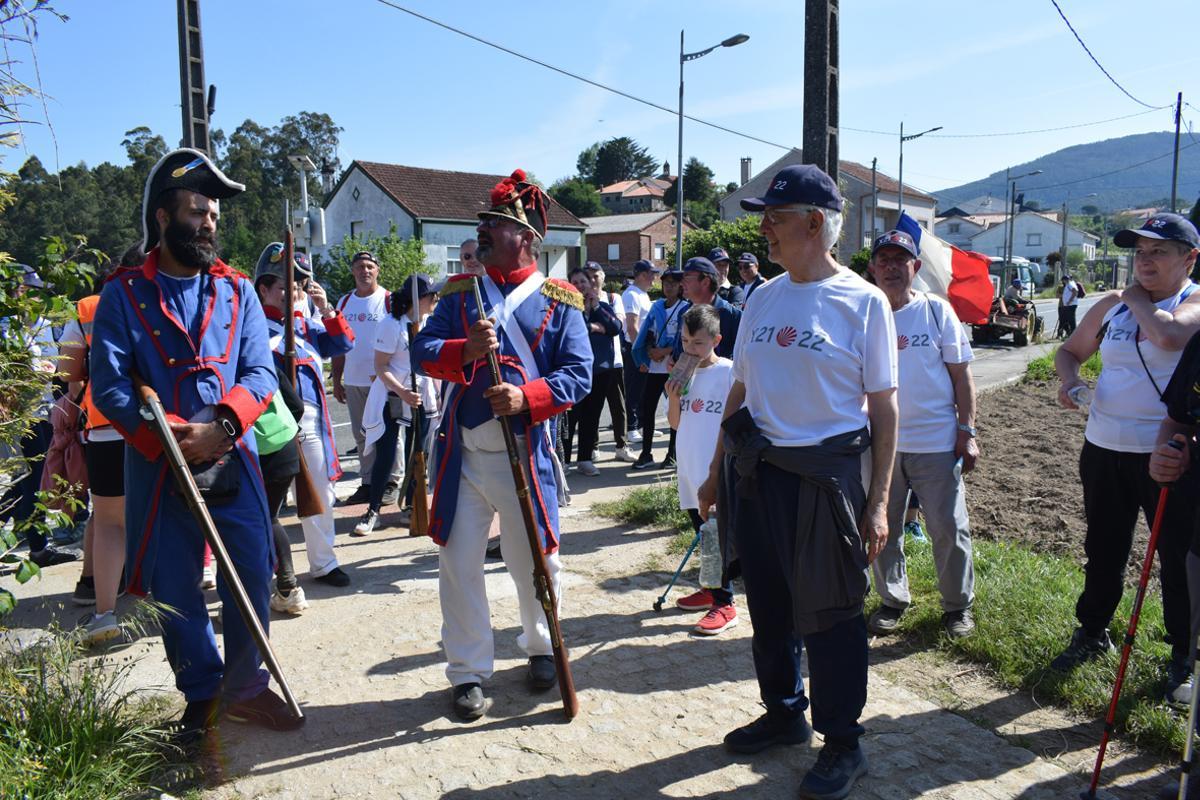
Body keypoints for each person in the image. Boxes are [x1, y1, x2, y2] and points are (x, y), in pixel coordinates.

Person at [697, 163, 898, 799]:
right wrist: (713, 472)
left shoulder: (863, 302)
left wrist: (881, 501)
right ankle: (786, 713)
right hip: (757, 473)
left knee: (832, 614)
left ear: (815, 223)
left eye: (775, 218)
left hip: (826, 478)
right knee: (770, 602)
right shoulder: (763, 296)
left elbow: (886, 409)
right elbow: (740, 387)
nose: (764, 229)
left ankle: (844, 741)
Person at [89, 149, 302, 740]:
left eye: (212, 213)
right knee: (175, 586)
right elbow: (108, 387)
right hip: (159, 467)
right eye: (196, 211)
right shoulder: (122, 296)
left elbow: (260, 373)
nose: (209, 222)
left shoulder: (237, 291)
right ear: (163, 217)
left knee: (252, 574)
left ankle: (246, 688)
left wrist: (222, 429)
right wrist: (172, 443)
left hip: (236, 457)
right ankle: (202, 693)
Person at [412, 169, 591, 721]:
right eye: (484, 222)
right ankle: (467, 672)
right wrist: (464, 351)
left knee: (535, 559)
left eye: (496, 223)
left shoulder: (561, 300)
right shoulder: (461, 292)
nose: (483, 230)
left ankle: (541, 646)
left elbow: (579, 374)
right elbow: (423, 349)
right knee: (458, 562)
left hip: (525, 452)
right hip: (464, 454)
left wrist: (527, 397)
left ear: (528, 239)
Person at [1052, 213, 1200, 705]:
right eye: (1140, 252)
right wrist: (1070, 383)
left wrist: (1133, 297)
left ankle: (1183, 653)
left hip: (1167, 456)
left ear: (1189, 258)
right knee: (1104, 549)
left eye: (1159, 251)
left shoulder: (1192, 301)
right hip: (1103, 448)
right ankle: (1092, 631)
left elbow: (1171, 337)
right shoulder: (1111, 307)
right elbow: (1069, 352)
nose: (1145, 260)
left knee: (1177, 559)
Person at [865, 229, 979, 640]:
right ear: (872, 268)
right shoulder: (864, 313)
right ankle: (892, 600)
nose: (892, 267)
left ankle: (957, 606)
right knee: (883, 527)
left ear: (915, 267)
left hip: (935, 441)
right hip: (881, 445)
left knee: (948, 527)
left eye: (901, 260)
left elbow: (962, 374)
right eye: (884, 260)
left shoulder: (936, 311)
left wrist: (967, 430)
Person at [255, 242, 354, 589]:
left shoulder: (303, 328)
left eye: (296, 286)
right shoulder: (253, 329)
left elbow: (343, 344)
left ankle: (324, 563)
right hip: (271, 428)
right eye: (283, 285)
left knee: (320, 496)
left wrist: (326, 308)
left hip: (311, 424)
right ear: (264, 289)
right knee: (265, 507)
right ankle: (265, 570)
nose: (291, 292)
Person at [59, 251, 142, 642]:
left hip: (105, 422)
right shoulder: (169, 296)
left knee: (109, 520)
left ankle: (104, 612)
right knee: (176, 510)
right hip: (159, 424)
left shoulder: (87, 307)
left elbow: (67, 372)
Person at [666, 304, 739, 634]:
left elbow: (737, 424)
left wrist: (722, 469)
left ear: (716, 340)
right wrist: (672, 397)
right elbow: (676, 424)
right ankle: (710, 589)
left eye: (697, 343)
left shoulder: (729, 373)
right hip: (689, 466)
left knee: (718, 536)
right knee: (703, 532)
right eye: (684, 341)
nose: (689, 350)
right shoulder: (684, 374)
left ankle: (726, 602)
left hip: (717, 470)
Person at [0, 265, 77, 568]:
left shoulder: (47, 326)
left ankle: (35, 545)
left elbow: (59, 364)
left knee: (29, 482)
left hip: (46, 412)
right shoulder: (5, 329)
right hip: (18, 416)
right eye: (24, 290)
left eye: (34, 291)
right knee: (30, 482)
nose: (31, 296)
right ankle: (38, 549)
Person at [354, 273, 440, 535]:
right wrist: (403, 392)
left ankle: (412, 507)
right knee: (387, 454)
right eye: (432, 294)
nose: (436, 298)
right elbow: (381, 367)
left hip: (423, 395)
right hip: (394, 394)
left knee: (419, 454)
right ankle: (373, 511)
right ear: (420, 298)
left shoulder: (431, 323)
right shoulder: (391, 325)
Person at [331, 250, 397, 505]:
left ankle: (391, 481)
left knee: (388, 432)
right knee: (362, 435)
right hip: (354, 380)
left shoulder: (389, 300)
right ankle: (369, 482)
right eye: (360, 266)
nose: (365, 271)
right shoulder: (344, 303)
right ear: (353, 271)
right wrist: (337, 379)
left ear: (377, 270)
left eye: (370, 266)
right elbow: (338, 344)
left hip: (384, 379)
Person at [569, 267, 623, 477]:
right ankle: (564, 460)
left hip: (601, 371)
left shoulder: (603, 305)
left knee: (591, 417)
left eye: (583, 281)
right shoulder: (567, 307)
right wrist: (595, 327)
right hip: (575, 371)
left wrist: (596, 307)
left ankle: (584, 459)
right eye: (575, 282)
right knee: (571, 417)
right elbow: (578, 329)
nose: (580, 286)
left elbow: (616, 328)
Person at [631, 268, 686, 470]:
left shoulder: (685, 308)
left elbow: (685, 339)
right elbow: (646, 333)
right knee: (647, 409)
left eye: (673, 282)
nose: (669, 286)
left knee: (676, 410)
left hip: (674, 367)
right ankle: (646, 453)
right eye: (665, 282)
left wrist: (665, 350)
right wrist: (648, 351)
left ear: (681, 286)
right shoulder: (657, 307)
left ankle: (672, 453)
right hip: (655, 367)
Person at [583, 261, 636, 464]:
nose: (593, 280)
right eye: (589, 276)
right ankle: (592, 446)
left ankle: (622, 446)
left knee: (618, 406)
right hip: (589, 362)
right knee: (591, 407)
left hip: (613, 362)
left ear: (603, 277)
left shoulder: (614, 298)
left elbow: (618, 325)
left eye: (596, 275)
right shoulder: (579, 299)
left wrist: (600, 326)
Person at [622, 260, 658, 445]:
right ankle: (632, 428)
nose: (654, 278)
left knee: (644, 389)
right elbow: (632, 326)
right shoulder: (632, 295)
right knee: (634, 389)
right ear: (643, 274)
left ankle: (643, 425)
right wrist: (639, 354)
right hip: (635, 349)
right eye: (652, 273)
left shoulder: (642, 294)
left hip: (644, 348)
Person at [679, 257, 741, 359]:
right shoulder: (683, 312)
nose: (681, 283)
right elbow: (679, 349)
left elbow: (741, 357)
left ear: (705, 282)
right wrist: (674, 359)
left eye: (687, 278)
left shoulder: (733, 316)